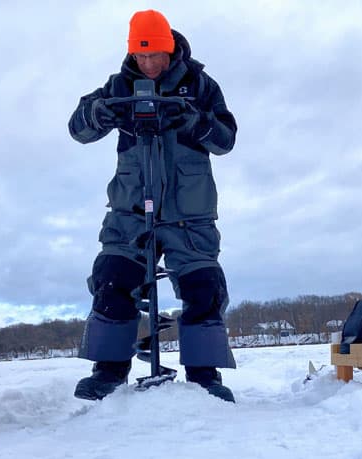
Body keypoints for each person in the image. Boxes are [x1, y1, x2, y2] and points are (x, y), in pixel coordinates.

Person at [68, 10, 237, 402]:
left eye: (155, 56)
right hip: (129, 210)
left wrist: (194, 120)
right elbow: (78, 128)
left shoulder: (200, 85)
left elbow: (225, 139)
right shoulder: (118, 85)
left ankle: (204, 376)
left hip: (189, 213)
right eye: (141, 57)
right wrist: (99, 113)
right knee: (111, 278)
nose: (149, 64)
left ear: (170, 48)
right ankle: (108, 373)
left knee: (204, 287)